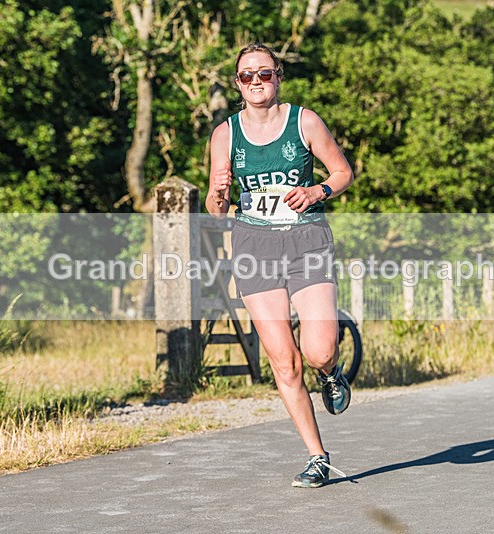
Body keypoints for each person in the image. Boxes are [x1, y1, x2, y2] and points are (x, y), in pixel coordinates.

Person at [205, 42, 354, 487]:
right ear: (237, 83)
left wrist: (316, 192)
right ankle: (317, 456)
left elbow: (343, 173)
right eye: (246, 75)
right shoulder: (225, 134)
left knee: (318, 350)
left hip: (307, 238)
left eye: (264, 74)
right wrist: (218, 191)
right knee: (284, 361)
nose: (255, 82)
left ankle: (331, 373)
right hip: (253, 244)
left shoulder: (304, 120)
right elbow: (217, 209)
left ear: (278, 76)